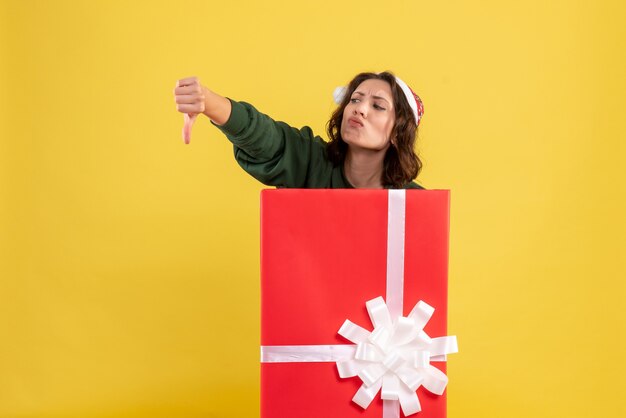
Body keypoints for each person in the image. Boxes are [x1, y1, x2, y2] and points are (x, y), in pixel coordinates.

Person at [173, 71, 425, 189]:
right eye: (355, 99)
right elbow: (268, 138)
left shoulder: (415, 205)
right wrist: (208, 102)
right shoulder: (311, 162)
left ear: (397, 132)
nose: (359, 109)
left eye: (378, 106)